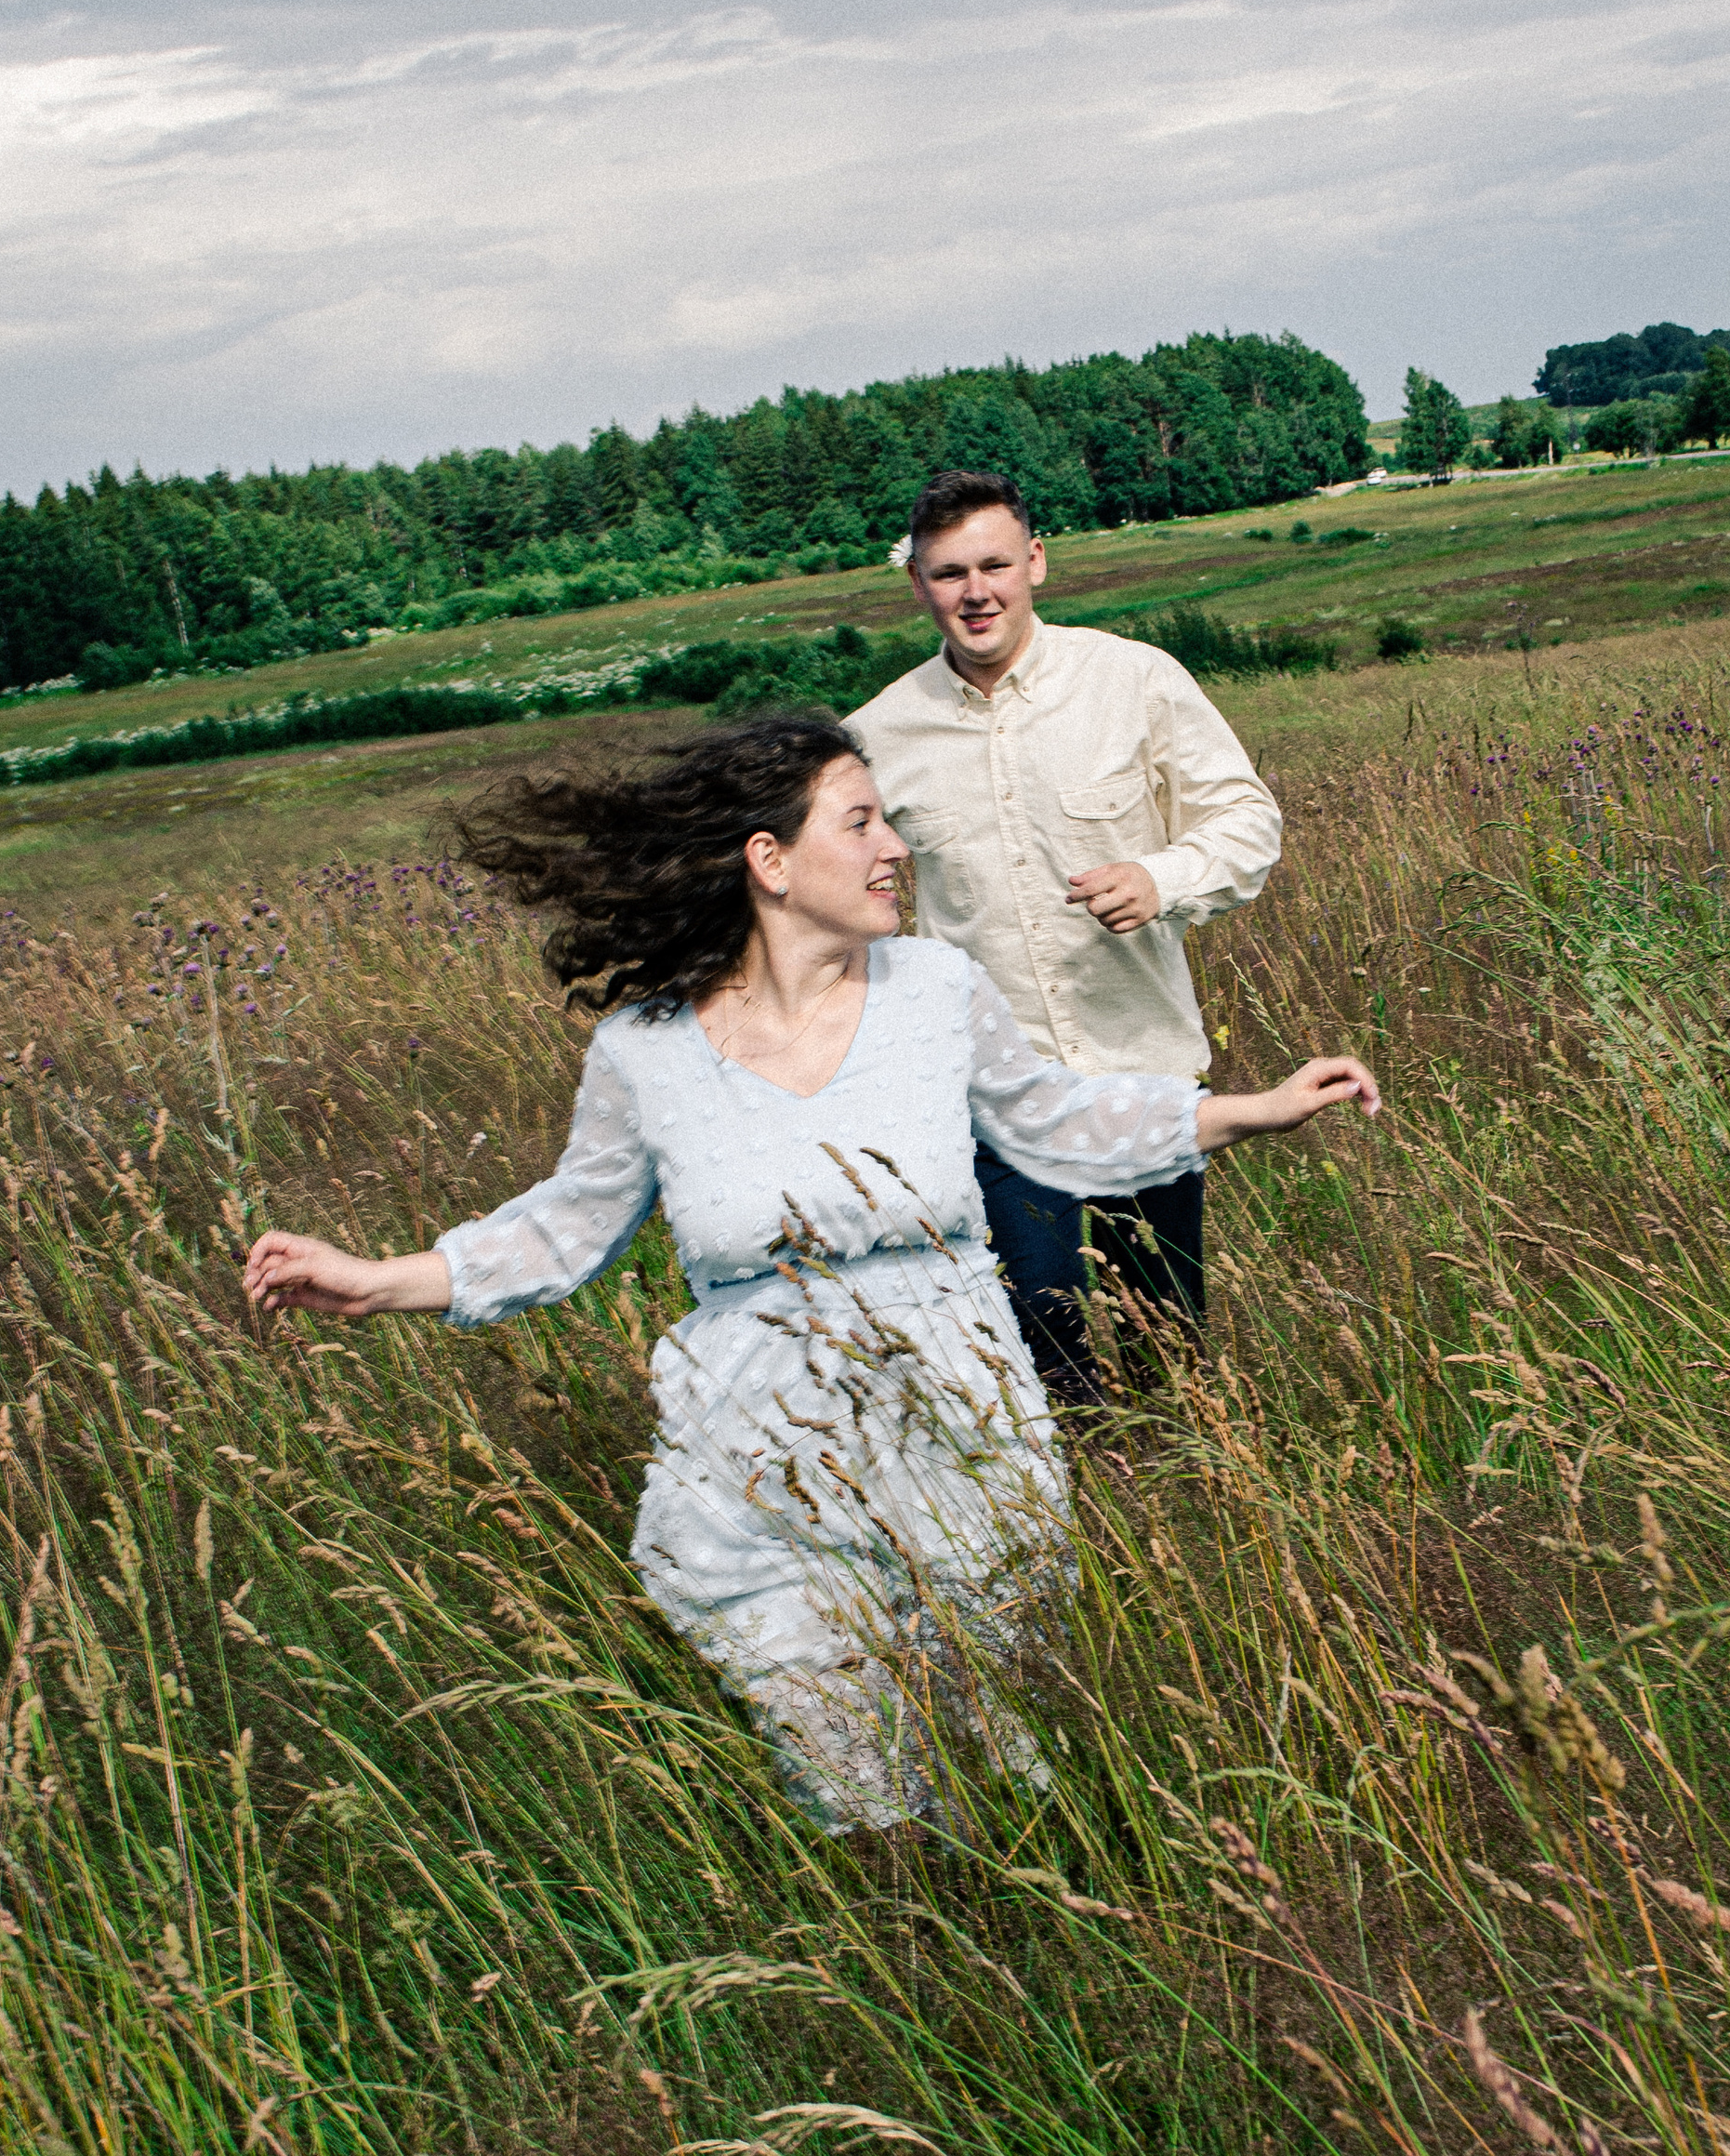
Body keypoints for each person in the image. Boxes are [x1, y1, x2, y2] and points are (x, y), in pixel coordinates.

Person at [242, 713, 1378, 1835]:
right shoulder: (646, 1049)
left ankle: (1027, 1881)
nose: (895, 847)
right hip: (759, 1437)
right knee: (837, 1733)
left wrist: (1255, 1108)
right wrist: (377, 1279)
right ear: (770, 860)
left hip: (957, 1405)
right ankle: (899, 1894)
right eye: (862, 822)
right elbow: (564, 1226)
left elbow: (1055, 1119)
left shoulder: (935, 987)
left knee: (994, 1715)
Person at [852, 469, 1282, 1406]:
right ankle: (1077, 1473)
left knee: (1165, 1331)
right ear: (917, 583)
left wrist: (1161, 878)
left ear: (1035, 561)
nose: (976, 592)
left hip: (1140, 1071)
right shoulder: (878, 735)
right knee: (1042, 1330)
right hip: (997, 1091)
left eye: (995, 565)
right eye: (949, 573)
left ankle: (1183, 1469)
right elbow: (835, 897)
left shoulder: (1134, 680)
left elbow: (1247, 822)